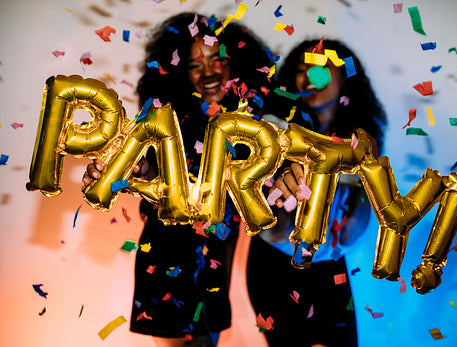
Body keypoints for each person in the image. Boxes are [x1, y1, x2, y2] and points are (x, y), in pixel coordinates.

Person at [83, 12, 275, 347]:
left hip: (216, 261)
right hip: (165, 258)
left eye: (217, 60)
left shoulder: (251, 128)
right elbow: (146, 168)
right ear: (181, 74)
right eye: (195, 65)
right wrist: (115, 172)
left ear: (236, 65)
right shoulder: (165, 122)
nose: (208, 72)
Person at [246, 38, 387, 347]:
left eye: (320, 68)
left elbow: (360, 223)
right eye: (300, 70)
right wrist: (281, 172)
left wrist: (361, 173)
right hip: (274, 264)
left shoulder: (362, 140)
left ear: (346, 78)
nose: (308, 77)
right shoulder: (273, 129)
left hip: (329, 265)